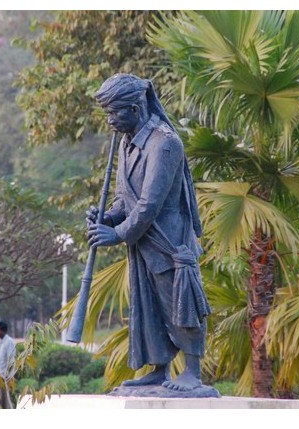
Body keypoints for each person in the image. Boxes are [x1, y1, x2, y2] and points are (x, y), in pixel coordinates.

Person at [87, 73, 211, 392]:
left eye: (115, 113)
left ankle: (193, 373)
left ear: (136, 109)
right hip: (144, 243)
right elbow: (123, 197)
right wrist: (108, 216)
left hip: (169, 242)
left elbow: (148, 203)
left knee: (179, 304)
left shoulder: (164, 142)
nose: (111, 120)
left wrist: (118, 234)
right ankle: (160, 368)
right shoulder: (129, 144)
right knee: (151, 307)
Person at [0, 321, 17, 408]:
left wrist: (8, 376)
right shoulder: (0, 342)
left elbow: (12, 359)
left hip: (5, 377)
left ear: (2, 331)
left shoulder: (9, 342)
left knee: (4, 402)